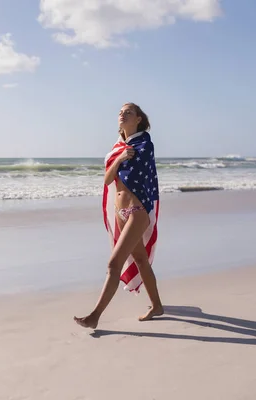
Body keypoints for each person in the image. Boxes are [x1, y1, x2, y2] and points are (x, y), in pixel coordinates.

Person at [74, 103, 164, 329]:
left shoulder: (145, 144)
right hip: (120, 213)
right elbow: (107, 180)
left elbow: (142, 170)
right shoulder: (119, 149)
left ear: (139, 120)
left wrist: (127, 156)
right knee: (141, 260)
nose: (122, 115)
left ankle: (95, 315)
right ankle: (157, 306)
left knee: (114, 263)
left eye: (128, 112)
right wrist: (120, 157)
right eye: (120, 112)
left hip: (136, 211)